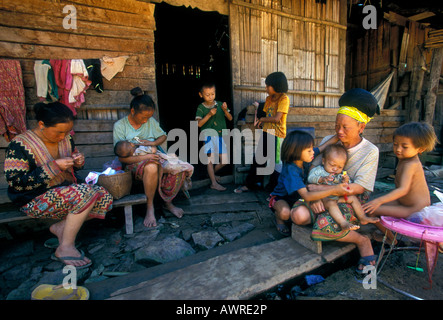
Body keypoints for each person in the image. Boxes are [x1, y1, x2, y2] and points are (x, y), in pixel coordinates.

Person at [4, 102, 113, 269]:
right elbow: (17, 183)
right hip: (32, 199)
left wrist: (78, 162)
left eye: (67, 132)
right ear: (41, 125)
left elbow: (73, 165)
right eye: (59, 132)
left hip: (65, 192)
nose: (63, 136)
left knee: (105, 197)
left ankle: (61, 227)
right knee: (84, 193)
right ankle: (65, 247)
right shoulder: (19, 145)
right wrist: (54, 166)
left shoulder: (67, 139)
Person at [293, 88, 381, 273]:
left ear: (361, 127)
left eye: (345, 128)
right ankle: (330, 223)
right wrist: (317, 196)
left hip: (349, 200)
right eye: (336, 126)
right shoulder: (329, 141)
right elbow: (312, 174)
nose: (339, 131)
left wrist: (323, 193)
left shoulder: (370, 151)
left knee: (326, 221)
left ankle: (362, 241)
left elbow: (359, 188)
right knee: (298, 216)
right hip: (323, 193)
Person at [113, 87, 187, 228]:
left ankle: (168, 203)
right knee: (152, 167)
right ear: (133, 111)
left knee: (177, 166)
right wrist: (146, 157)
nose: (147, 121)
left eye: (149, 117)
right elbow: (122, 158)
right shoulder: (120, 126)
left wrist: (152, 143)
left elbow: (163, 135)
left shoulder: (150, 121)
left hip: (153, 156)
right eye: (143, 117)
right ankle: (150, 207)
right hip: (134, 162)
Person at [362, 122, 438, 242]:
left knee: (372, 210)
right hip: (403, 202)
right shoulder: (405, 159)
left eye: (404, 146)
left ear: (420, 149)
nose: (398, 149)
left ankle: (391, 239)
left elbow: (403, 189)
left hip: (414, 209)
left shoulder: (411, 164)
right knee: (369, 205)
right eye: (395, 144)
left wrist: (379, 200)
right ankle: (387, 232)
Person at [270, 131, 349, 236]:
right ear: (296, 151)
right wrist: (335, 189)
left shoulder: (305, 158)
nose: (313, 152)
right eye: (309, 150)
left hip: (298, 196)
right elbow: (307, 196)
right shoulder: (291, 170)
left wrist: (340, 134)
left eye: (312, 149)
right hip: (282, 198)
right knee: (285, 214)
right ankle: (278, 218)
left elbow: (324, 146)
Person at [234, 71, 290, 193]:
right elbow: (265, 113)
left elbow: (276, 118)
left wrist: (263, 119)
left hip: (277, 136)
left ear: (276, 86)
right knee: (259, 159)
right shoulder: (269, 99)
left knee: (275, 164)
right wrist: (260, 119)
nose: (266, 88)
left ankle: (275, 190)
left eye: (267, 85)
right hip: (267, 132)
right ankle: (252, 184)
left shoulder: (284, 99)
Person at [308, 144, 379, 231]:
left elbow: (348, 186)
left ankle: (363, 218)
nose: (335, 169)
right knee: (331, 204)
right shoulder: (319, 170)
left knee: (352, 198)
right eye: (332, 165)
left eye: (339, 167)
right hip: (324, 198)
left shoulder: (341, 174)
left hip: (338, 197)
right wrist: (321, 179)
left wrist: (346, 181)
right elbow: (310, 178)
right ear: (323, 161)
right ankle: (343, 223)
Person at [114, 139, 193, 194]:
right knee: (178, 165)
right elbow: (154, 150)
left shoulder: (133, 154)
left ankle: (182, 172)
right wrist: (151, 145)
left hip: (155, 163)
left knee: (173, 163)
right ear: (131, 144)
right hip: (157, 162)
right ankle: (185, 172)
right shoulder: (140, 149)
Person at [195, 82, 232, 191]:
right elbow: (199, 124)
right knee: (210, 160)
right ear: (201, 95)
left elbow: (230, 118)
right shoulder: (201, 108)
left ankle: (211, 174)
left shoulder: (220, 104)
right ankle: (213, 183)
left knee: (224, 160)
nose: (210, 97)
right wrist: (209, 114)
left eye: (212, 94)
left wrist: (225, 110)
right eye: (207, 95)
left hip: (221, 136)